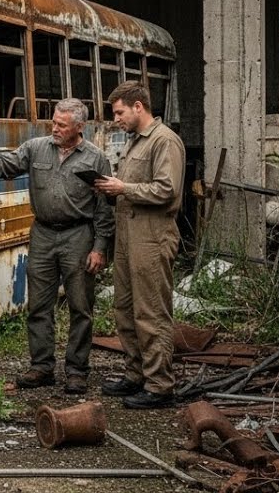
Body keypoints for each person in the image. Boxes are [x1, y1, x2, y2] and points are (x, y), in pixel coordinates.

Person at [0, 98, 113, 394]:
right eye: (53, 122)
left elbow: (104, 207)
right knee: (39, 304)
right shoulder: (37, 148)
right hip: (42, 234)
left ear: (79, 127)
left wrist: (99, 247)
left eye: (62, 125)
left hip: (78, 235)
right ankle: (41, 366)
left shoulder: (96, 158)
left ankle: (77, 371)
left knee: (81, 306)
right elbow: (8, 163)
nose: (54, 128)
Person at [93, 80, 185, 409]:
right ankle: (136, 375)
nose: (116, 119)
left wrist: (123, 189)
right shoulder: (135, 142)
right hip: (129, 234)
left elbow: (167, 190)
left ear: (138, 106)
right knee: (126, 308)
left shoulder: (164, 141)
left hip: (152, 235)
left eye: (119, 113)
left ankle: (159, 385)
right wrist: (111, 189)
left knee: (151, 311)